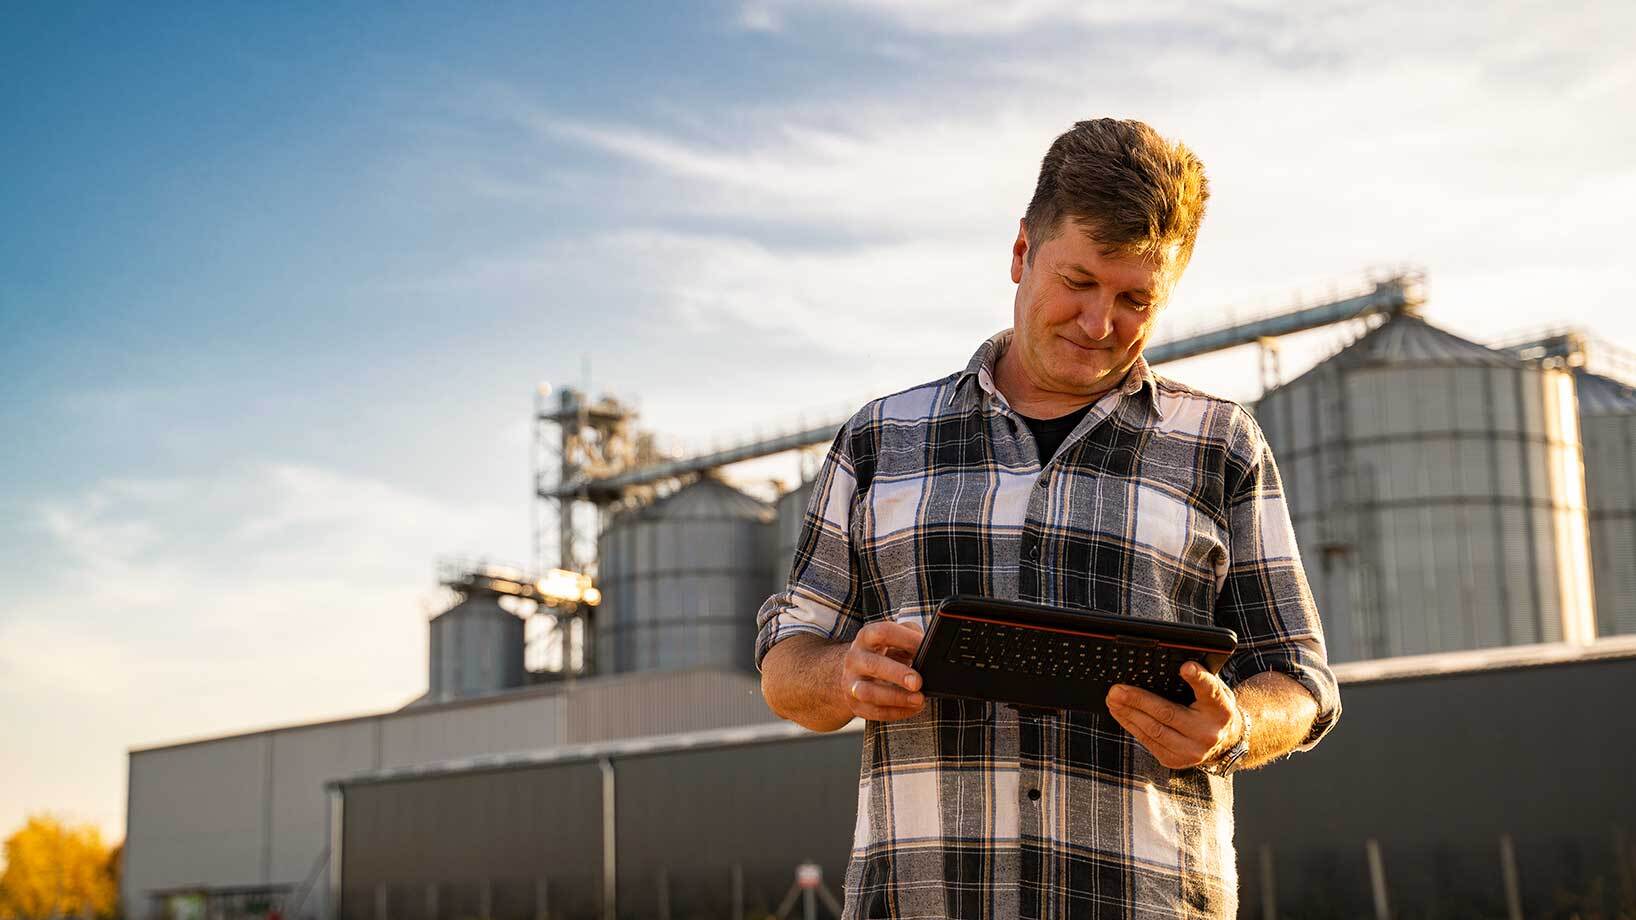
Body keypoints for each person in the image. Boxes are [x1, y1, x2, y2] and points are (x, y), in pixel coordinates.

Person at [755, 118, 1341, 920]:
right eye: (1079, 281)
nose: (1100, 324)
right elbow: (789, 661)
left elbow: (1302, 682)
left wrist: (1235, 726)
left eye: (1136, 298)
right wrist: (841, 674)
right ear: (1022, 252)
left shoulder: (1220, 444)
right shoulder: (880, 439)